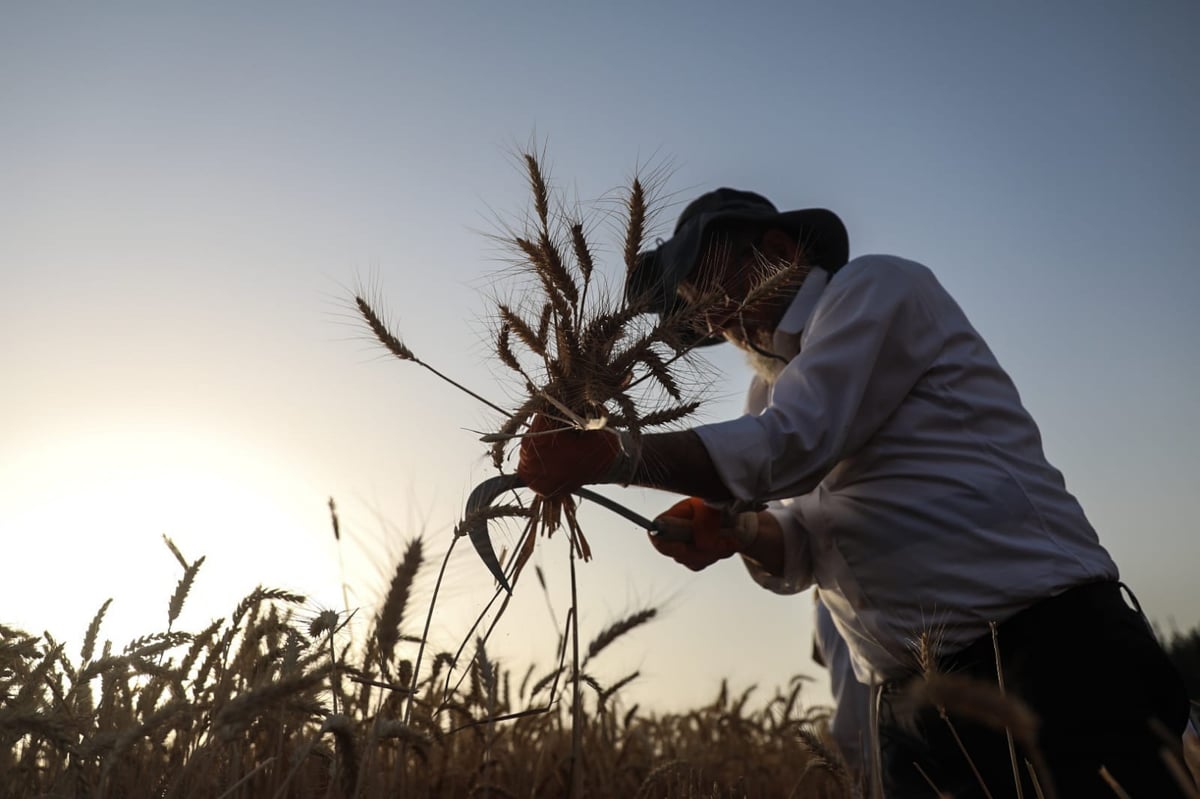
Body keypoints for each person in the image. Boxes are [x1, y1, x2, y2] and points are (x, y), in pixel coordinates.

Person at [516, 188, 1192, 796]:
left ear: (779, 250)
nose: (714, 319)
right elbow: (809, 547)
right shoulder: (767, 391)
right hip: (911, 711)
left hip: (1048, 661)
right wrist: (740, 532)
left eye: (712, 285)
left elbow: (793, 445)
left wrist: (612, 453)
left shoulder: (875, 288)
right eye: (696, 308)